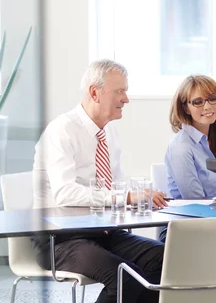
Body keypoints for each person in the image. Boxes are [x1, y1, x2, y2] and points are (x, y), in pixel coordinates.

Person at [32, 59, 167, 303]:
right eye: (120, 91)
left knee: (165, 258)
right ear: (95, 92)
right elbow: (65, 193)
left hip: (103, 231)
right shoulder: (62, 130)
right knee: (126, 277)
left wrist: (144, 192)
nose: (126, 99)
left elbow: (117, 182)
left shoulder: (110, 132)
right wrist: (125, 197)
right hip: (60, 238)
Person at [159, 75, 216, 242]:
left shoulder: (211, 139)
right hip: (185, 230)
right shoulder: (182, 147)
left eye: (212, 99)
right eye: (198, 102)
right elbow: (196, 201)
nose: (207, 106)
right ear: (185, 108)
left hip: (206, 221)